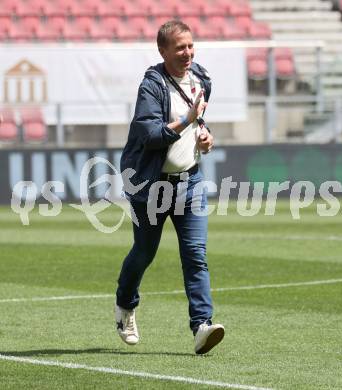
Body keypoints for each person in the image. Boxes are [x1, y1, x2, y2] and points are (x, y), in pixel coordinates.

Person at [115, 20, 224, 355]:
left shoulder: (201, 78)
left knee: (195, 255)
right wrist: (190, 120)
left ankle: (202, 326)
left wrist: (203, 136)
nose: (187, 52)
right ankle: (125, 307)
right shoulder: (151, 86)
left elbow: (198, 119)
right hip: (151, 186)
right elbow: (149, 135)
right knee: (144, 253)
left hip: (190, 181)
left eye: (190, 45)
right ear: (162, 51)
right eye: (180, 47)